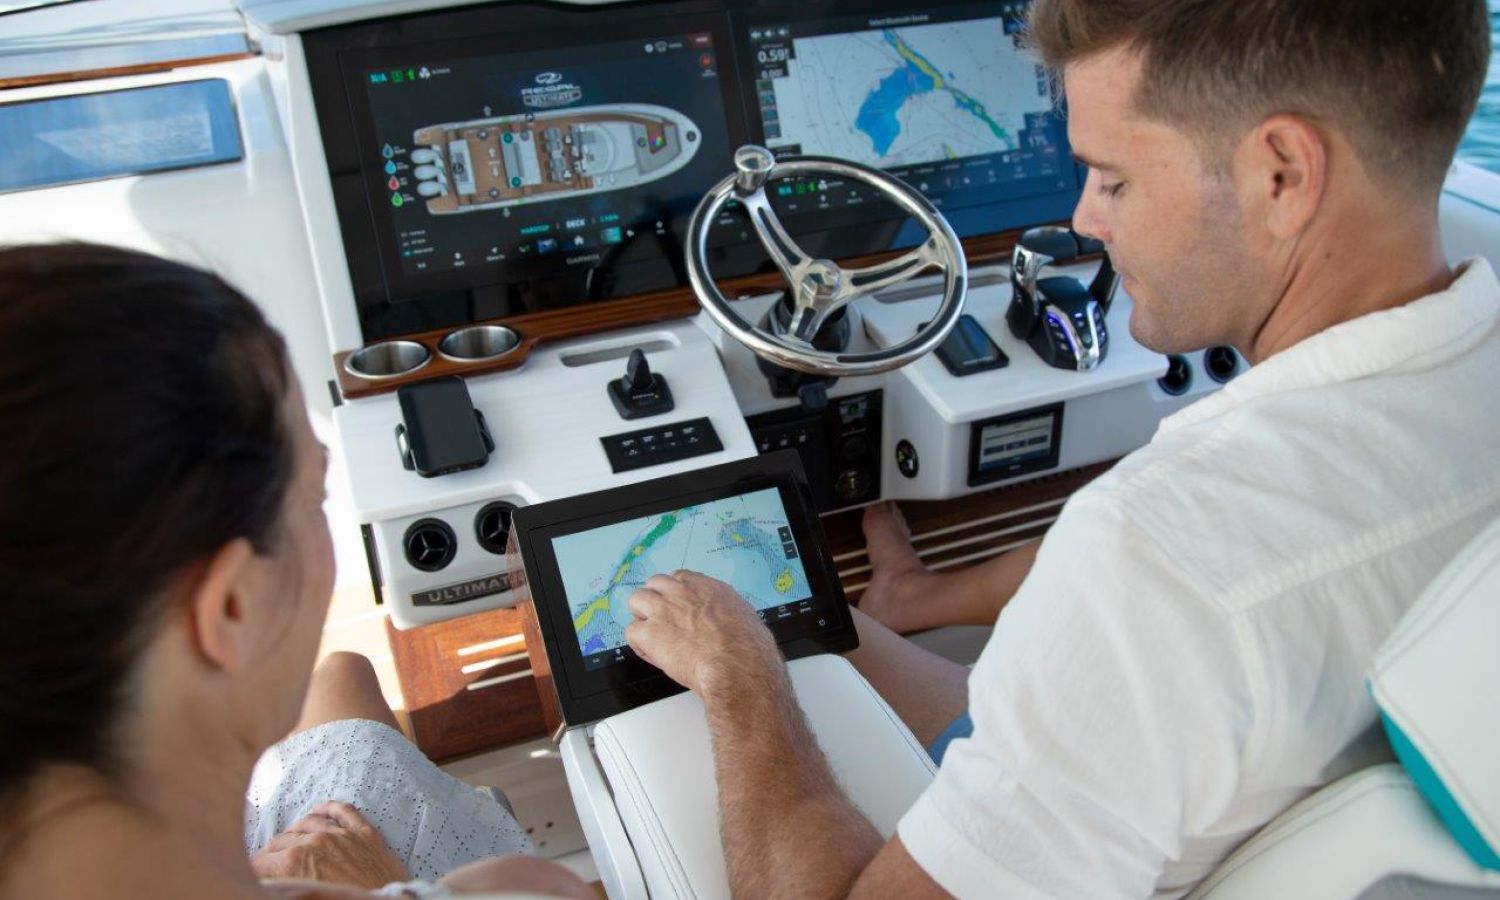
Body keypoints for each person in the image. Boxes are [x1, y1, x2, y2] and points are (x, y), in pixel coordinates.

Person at [621, 1, 1498, 898]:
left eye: (1113, 179)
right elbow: (1133, 667)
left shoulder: (1157, 561)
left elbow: (1163, 582)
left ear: (1282, 175)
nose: (1084, 218)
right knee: (824, 628)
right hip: (1176, 795)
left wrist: (739, 679)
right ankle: (902, 603)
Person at [0, 243, 591, 900]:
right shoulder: (521, 889)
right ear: (235, 603)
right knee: (344, 676)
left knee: (342, 673)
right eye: (315, 498)